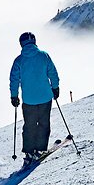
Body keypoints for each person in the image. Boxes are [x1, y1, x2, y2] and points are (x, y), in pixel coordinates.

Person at [9, 31, 60, 166]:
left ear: (21, 44)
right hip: (45, 97)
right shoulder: (44, 56)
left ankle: (29, 152)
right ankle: (40, 150)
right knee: (44, 124)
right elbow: (53, 73)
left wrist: (14, 96)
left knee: (29, 126)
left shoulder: (19, 60)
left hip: (29, 100)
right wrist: (55, 88)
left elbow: (14, 80)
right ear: (34, 41)